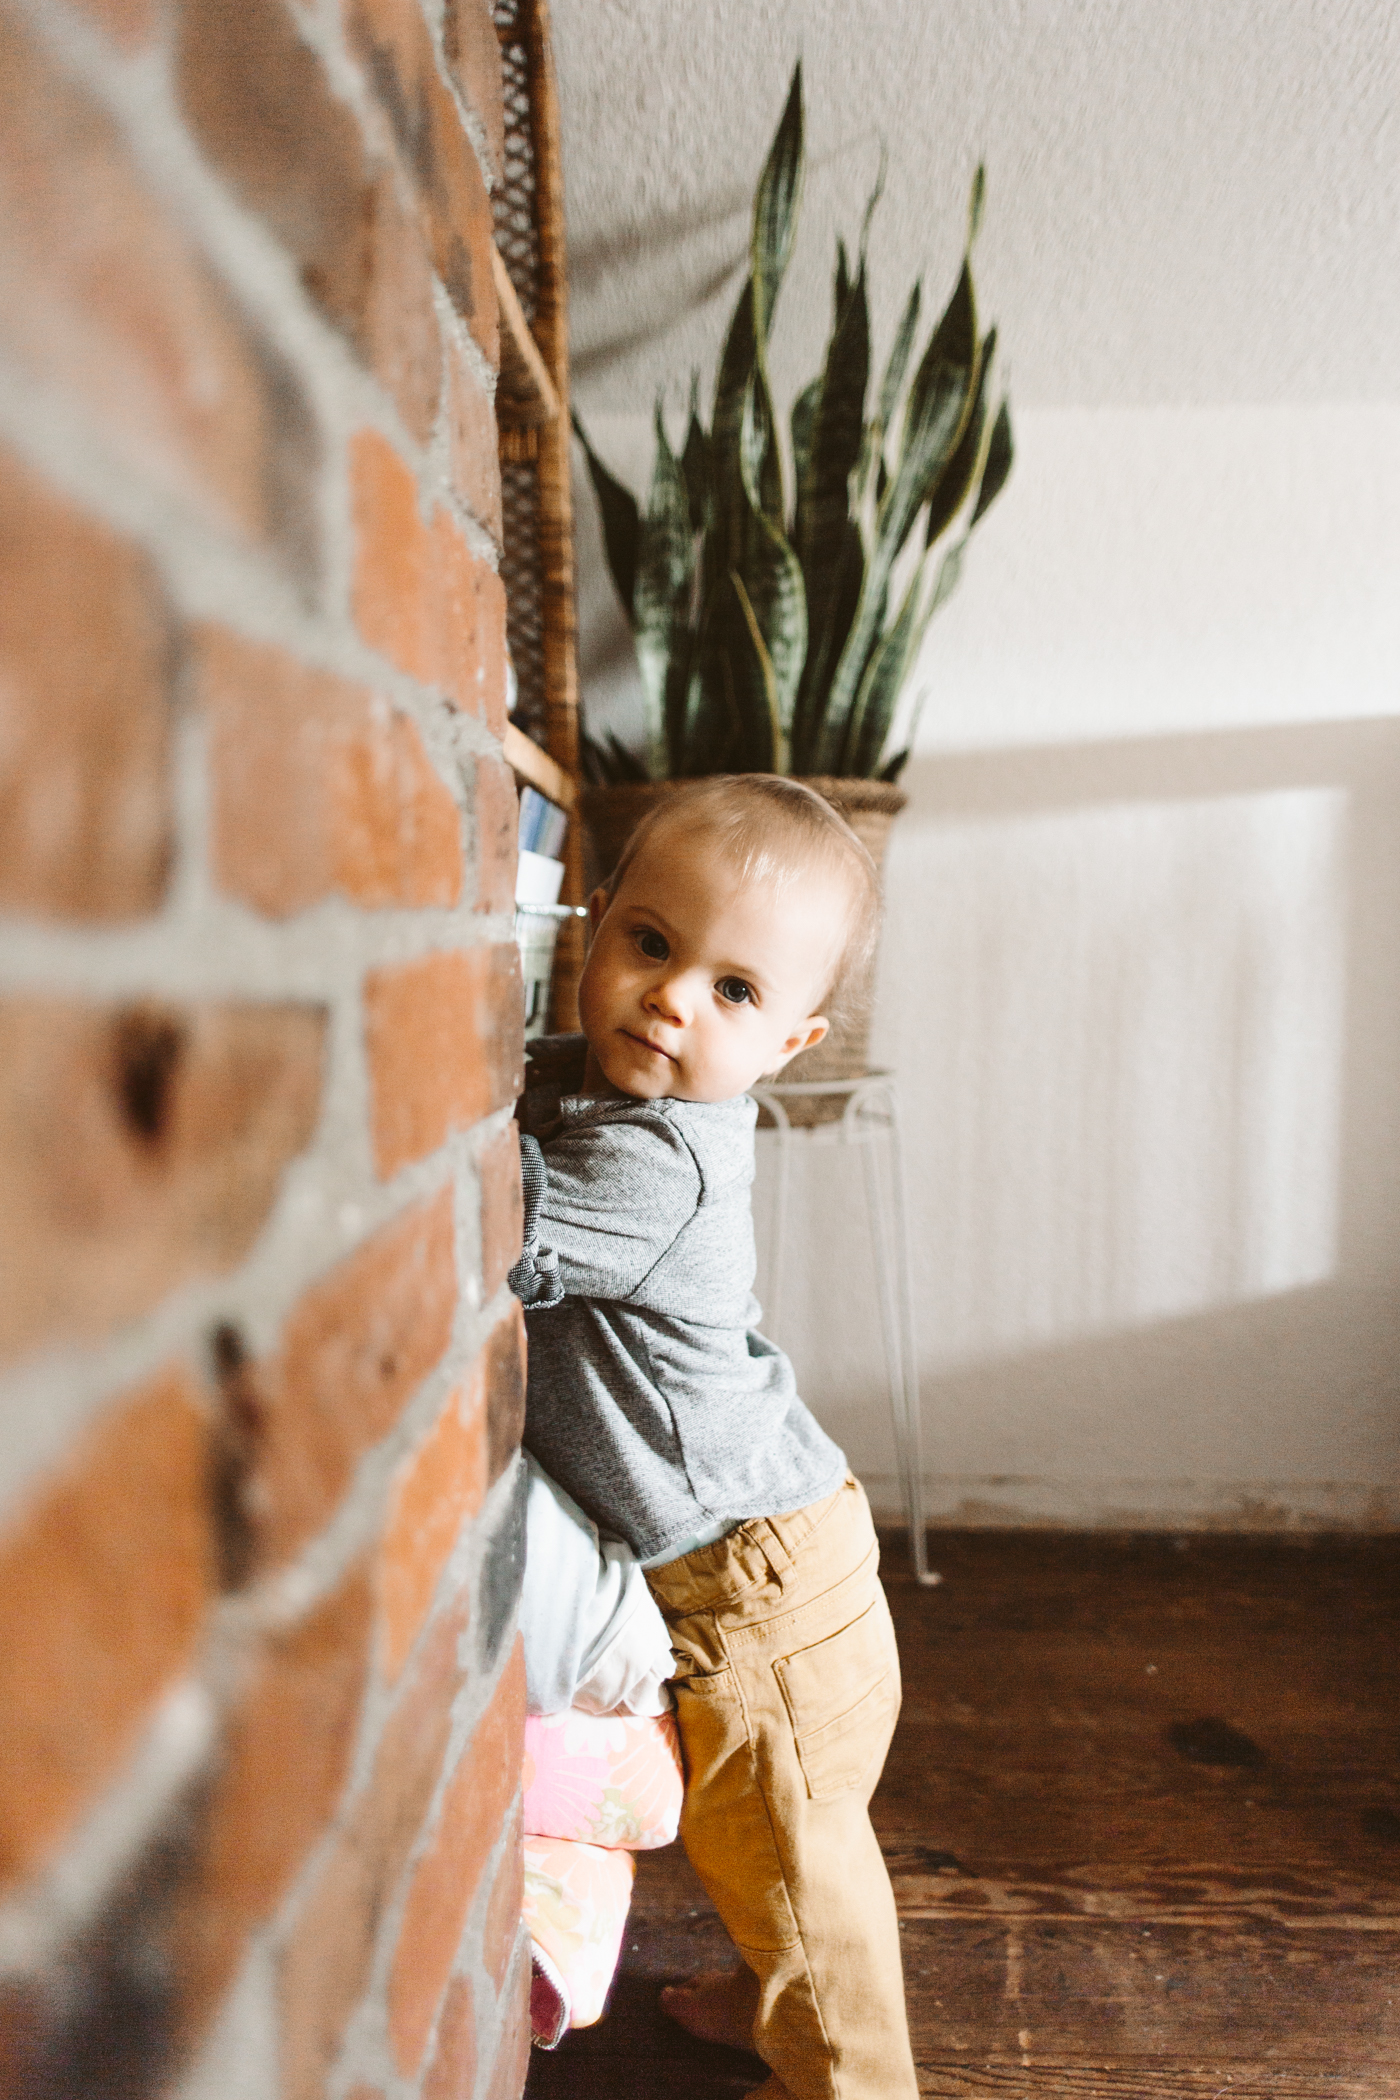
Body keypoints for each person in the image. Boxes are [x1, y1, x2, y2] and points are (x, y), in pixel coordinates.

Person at [510, 775, 918, 2100]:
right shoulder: (587, 1082)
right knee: (780, 1858)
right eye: (651, 944)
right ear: (598, 923)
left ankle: (855, 2079)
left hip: (763, 1602)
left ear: (790, 1045)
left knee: (801, 1880)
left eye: (734, 991)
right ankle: (765, 1995)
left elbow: (478, 1218)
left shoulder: (661, 1164)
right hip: (777, 1548)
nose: (673, 998)